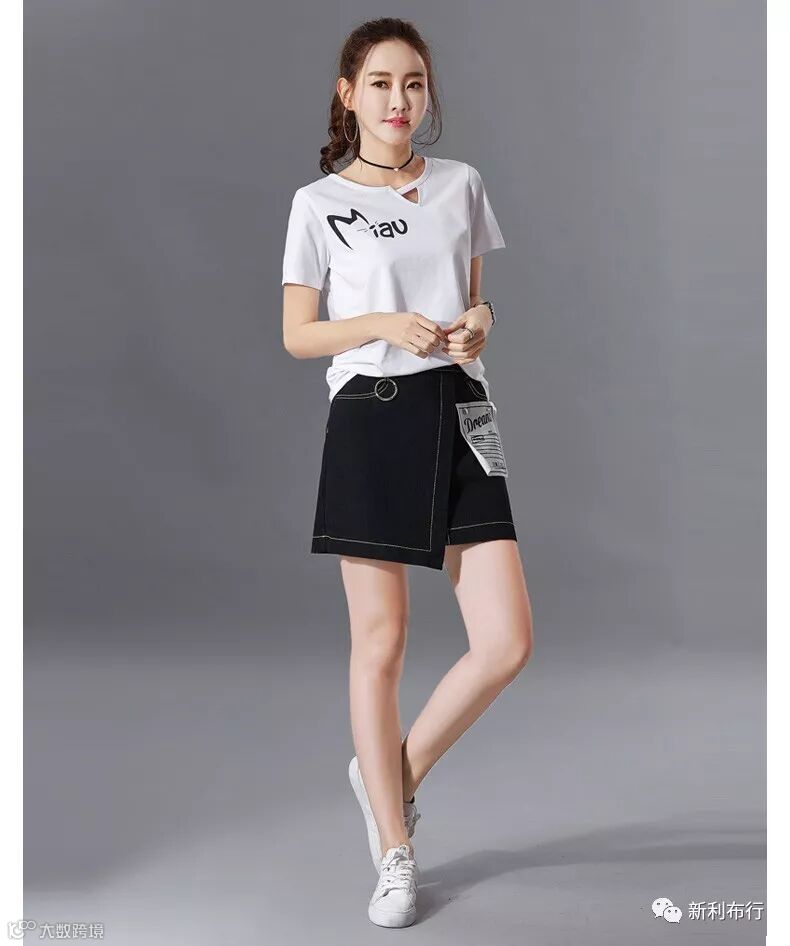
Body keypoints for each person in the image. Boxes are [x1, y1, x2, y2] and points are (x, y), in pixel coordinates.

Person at [281, 16, 533, 929]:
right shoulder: (318, 203)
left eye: (414, 83)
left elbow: (473, 301)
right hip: (373, 418)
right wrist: (383, 324)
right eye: (382, 83)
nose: (400, 100)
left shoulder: (461, 183)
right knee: (380, 644)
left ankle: (389, 776)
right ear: (349, 95)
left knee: (505, 642)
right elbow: (298, 334)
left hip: (462, 412)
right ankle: (395, 848)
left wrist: (480, 323)